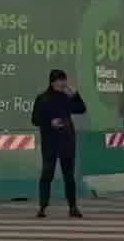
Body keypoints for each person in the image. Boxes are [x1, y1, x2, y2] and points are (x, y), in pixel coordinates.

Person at [31, 69, 88, 218]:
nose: (64, 83)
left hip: (67, 141)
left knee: (69, 175)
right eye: (61, 80)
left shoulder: (67, 98)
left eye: (64, 80)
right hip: (50, 142)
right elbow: (35, 119)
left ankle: (73, 207)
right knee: (47, 174)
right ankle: (42, 206)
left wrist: (74, 94)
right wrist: (50, 122)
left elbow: (81, 109)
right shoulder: (42, 98)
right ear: (53, 82)